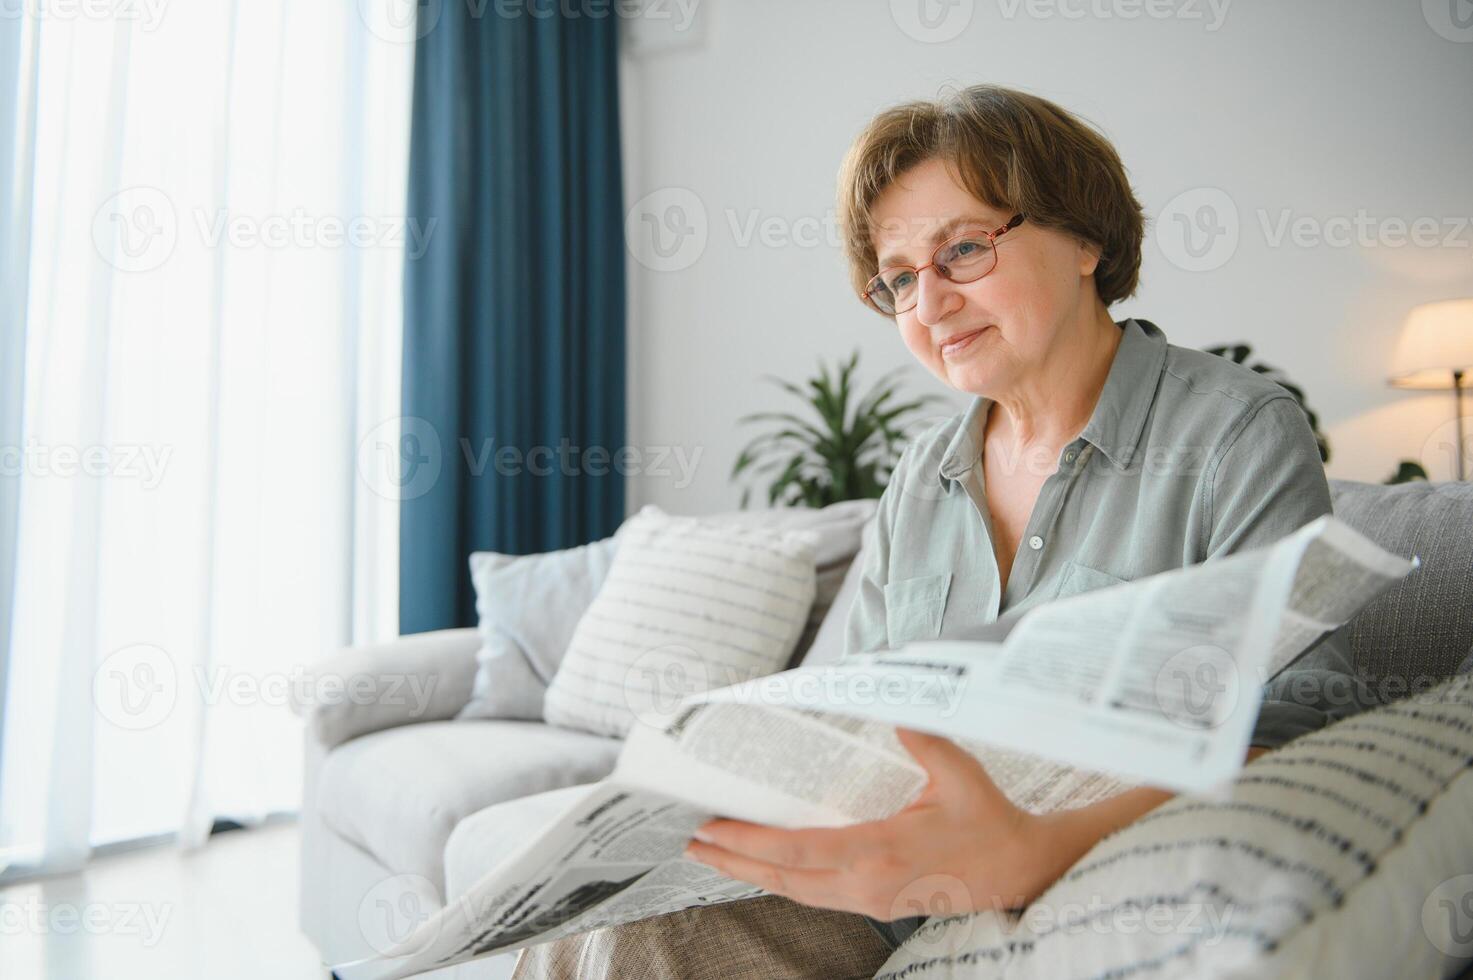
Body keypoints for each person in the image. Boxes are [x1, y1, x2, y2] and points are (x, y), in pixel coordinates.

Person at [512, 83, 1371, 980]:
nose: (928, 303)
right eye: (898, 278)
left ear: (1085, 238)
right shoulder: (921, 477)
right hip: (899, 890)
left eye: (961, 250)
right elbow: (871, 727)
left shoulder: (1234, 430)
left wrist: (1037, 848)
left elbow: (1308, 725)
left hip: (1090, 877)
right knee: (616, 917)